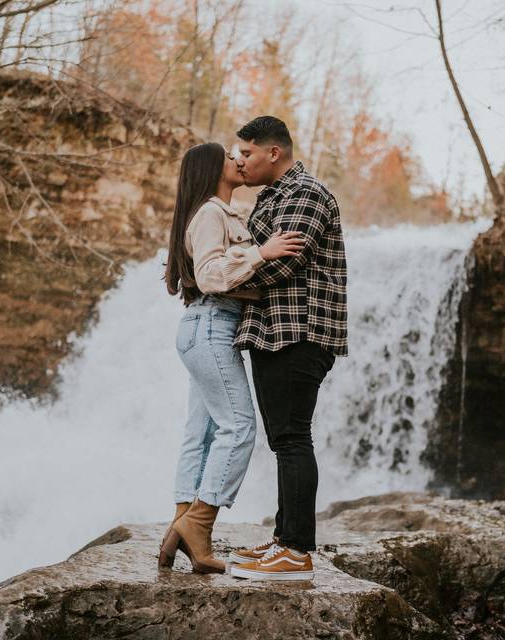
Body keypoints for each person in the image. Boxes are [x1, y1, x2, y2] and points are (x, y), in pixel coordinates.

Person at [159, 141, 305, 574]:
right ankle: (199, 524)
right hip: (212, 325)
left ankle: (179, 528)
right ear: (212, 168)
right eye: (230, 157)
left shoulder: (216, 213)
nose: (239, 161)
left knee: (200, 433)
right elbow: (208, 276)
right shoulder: (209, 213)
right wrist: (261, 253)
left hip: (201, 328)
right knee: (239, 426)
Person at [226, 116, 348, 581]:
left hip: (298, 333)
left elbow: (282, 267)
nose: (240, 161)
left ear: (272, 152)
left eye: (247, 153)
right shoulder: (272, 198)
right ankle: (284, 539)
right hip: (271, 331)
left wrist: (222, 274)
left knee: (293, 438)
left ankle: (297, 552)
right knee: (284, 440)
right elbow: (260, 256)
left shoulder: (306, 194)